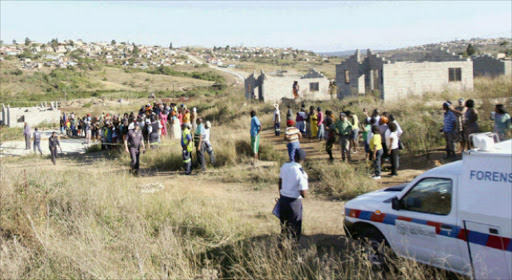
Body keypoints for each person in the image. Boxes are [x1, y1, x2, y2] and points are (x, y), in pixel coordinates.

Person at [278, 148, 308, 242]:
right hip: (294, 202)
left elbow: (280, 182)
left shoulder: (285, 166)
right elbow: (303, 192)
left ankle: (282, 248)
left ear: (294, 157)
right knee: (295, 229)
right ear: (303, 159)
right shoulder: (301, 172)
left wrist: (282, 193)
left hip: (283, 200)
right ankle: (292, 250)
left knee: (284, 227)